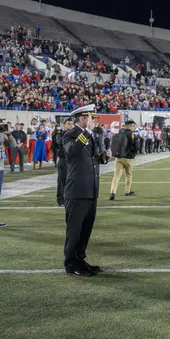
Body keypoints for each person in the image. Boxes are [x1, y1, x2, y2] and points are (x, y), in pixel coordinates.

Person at [62, 104, 102, 277]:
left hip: (90, 190)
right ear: (82, 119)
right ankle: (71, 263)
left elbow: (90, 160)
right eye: (91, 117)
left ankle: (80, 259)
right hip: (77, 190)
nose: (93, 121)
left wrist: (102, 157)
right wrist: (86, 133)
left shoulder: (89, 135)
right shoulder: (69, 134)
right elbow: (72, 152)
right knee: (74, 230)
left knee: (86, 229)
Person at [109, 120, 138, 201]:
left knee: (116, 176)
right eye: (132, 126)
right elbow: (137, 147)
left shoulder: (119, 133)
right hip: (129, 158)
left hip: (119, 158)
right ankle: (127, 191)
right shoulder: (132, 135)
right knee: (128, 175)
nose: (133, 127)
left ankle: (113, 192)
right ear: (129, 127)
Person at [55, 118, 74, 207]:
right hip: (63, 160)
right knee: (62, 180)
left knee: (71, 180)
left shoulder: (74, 134)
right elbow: (60, 142)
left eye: (71, 124)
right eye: (69, 124)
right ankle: (60, 199)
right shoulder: (60, 134)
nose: (70, 126)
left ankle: (70, 198)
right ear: (64, 125)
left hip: (72, 161)